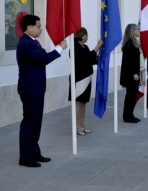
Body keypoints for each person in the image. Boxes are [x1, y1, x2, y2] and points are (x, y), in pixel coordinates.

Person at [16, 14, 67, 167]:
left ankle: (34, 152)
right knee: (30, 123)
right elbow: (43, 59)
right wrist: (60, 48)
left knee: (36, 123)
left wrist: (56, 49)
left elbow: (43, 55)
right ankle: (25, 157)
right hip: (30, 89)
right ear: (29, 28)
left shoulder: (33, 42)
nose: (41, 29)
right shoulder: (26, 44)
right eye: (38, 26)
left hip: (36, 88)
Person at [68, 27, 103, 135]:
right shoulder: (74, 47)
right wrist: (97, 46)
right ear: (80, 35)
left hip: (87, 77)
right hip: (79, 78)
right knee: (78, 102)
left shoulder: (85, 47)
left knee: (83, 102)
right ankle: (77, 125)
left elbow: (91, 60)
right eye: (85, 34)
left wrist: (100, 58)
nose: (87, 36)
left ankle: (82, 124)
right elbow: (85, 59)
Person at [120, 24, 141, 123]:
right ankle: (128, 116)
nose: (139, 30)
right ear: (132, 31)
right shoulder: (129, 44)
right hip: (131, 74)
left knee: (132, 95)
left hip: (134, 73)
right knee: (130, 95)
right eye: (137, 29)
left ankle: (130, 114)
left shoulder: (133, 43)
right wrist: (134, 73)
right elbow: (129, 61)